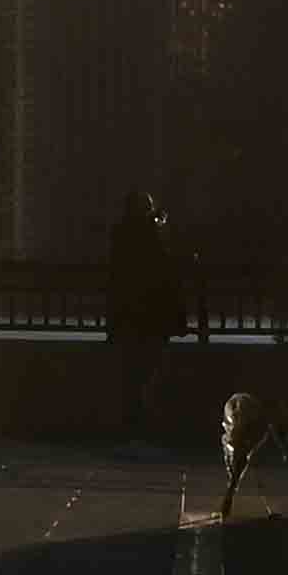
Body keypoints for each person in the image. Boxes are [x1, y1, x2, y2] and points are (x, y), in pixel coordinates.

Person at [105, 188, 187, 446]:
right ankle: (143, 428)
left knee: (131, 376)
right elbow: (167, 270)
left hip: (129, 317)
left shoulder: (120, 236)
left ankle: (131, 427)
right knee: (148, 374)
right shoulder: (152, 235)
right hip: (151, 316)